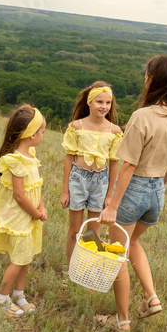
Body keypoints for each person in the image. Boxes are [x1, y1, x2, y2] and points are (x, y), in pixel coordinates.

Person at [97, 55, 167, 332]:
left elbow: (129, 165)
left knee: (117, 253)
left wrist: (112, 205)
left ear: (152, 80)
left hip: (134, 189)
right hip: (157, 191)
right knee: (133, 243)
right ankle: (151, 297)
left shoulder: (141, 117)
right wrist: (160, 186)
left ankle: (121, 320)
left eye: (146, 75)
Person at [0, 104, 48, 317]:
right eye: (42, 131)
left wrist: (41, 206)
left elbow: (35, 186)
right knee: (18, 260)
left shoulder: (31, 154)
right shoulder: (15, 160)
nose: (43, 134)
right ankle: (1, 298)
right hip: (19, 216)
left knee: (25, 257)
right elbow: (19, 195)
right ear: (31, 135)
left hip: (30, 214)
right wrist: (35, 213)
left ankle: (19, 294)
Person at [60, 81, 123, 265]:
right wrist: (65, 191)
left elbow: (113, 164)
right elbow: (68, 159)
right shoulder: (76, 127)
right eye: (99, 102)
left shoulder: (114, 131)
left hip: (100, 182)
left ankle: (87, 268)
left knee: (93, 232)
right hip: (78, 179)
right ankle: (70, 267)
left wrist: (110, 195)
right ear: (89, 102)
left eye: (108, 103)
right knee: (75, 229)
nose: (104, 106)